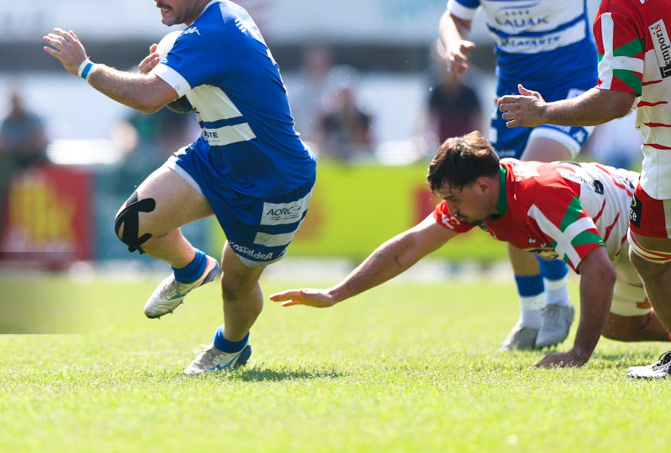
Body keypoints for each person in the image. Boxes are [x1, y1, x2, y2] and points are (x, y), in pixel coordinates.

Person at [44, 0, 316, 374]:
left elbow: (150, 99)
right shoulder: (214, 22)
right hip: (216, 157)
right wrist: (172, 85)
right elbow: (186, 100)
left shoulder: (214, 31)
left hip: (273, 179)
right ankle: (191, 269)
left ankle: (230, 347)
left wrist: (85, 67)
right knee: (133, 225)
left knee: (237, 283)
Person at [270, 132, 668, 368]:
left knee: (602, 317)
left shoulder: (536, 196)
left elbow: (598, 271)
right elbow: (407, 248)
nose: (450, 209)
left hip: (655, 219)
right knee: (617, 326)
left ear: (482, 186)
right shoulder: (481, 200)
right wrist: (336, 293)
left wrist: (578, 354)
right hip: (623, 244)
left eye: (452, 198)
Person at [499, 0, 671, 378]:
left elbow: (617, 98)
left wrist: (544, 112)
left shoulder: (617, 5)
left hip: (667, 148)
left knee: (651, 258)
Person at [438, 0, 604, 351]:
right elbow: (454, 18)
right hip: (513, 100)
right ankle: (531, 313)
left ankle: (557, 300)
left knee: (531, 178)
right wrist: (452, 43)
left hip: (570, 93)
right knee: (501, 200)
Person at [0, 83, 49, 169]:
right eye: (13, 101)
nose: (15, 105)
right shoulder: (4, 121)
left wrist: (23, 148)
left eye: (17, 100)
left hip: (35, 163)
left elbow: (39, 142)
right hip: (12, 165)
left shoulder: (34, 119)